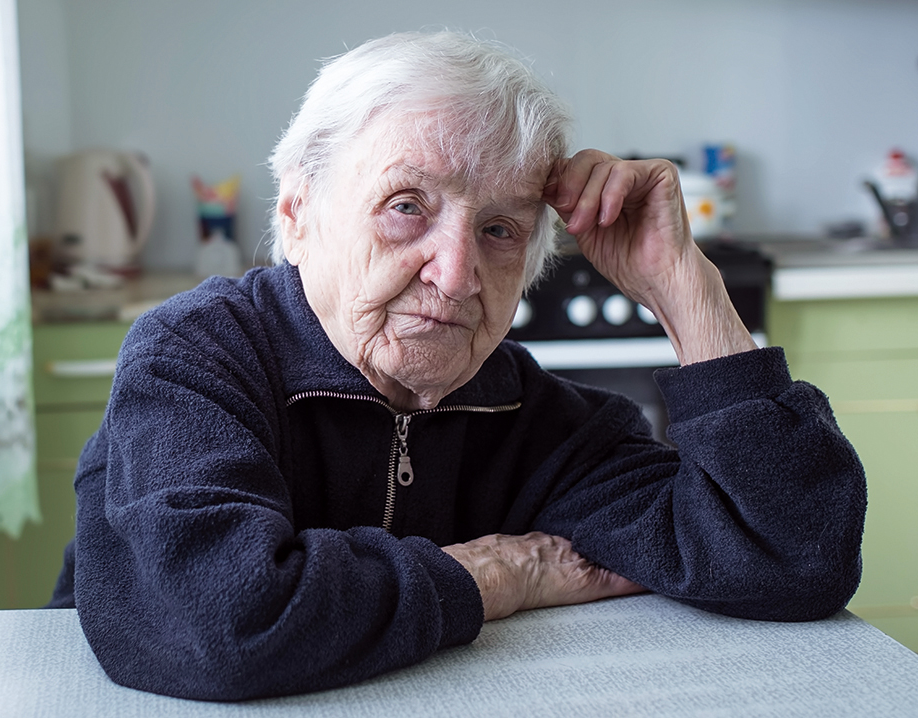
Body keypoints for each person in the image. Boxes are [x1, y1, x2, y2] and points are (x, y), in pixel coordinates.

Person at [47, 31, 866, 701]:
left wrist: (687, 290)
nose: (457, 272)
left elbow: (792, 559)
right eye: (407, 206)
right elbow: (215, 624)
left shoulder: (531, 418)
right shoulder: (195, 358)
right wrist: (490, 575)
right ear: (297, 216)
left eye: (500, 230)